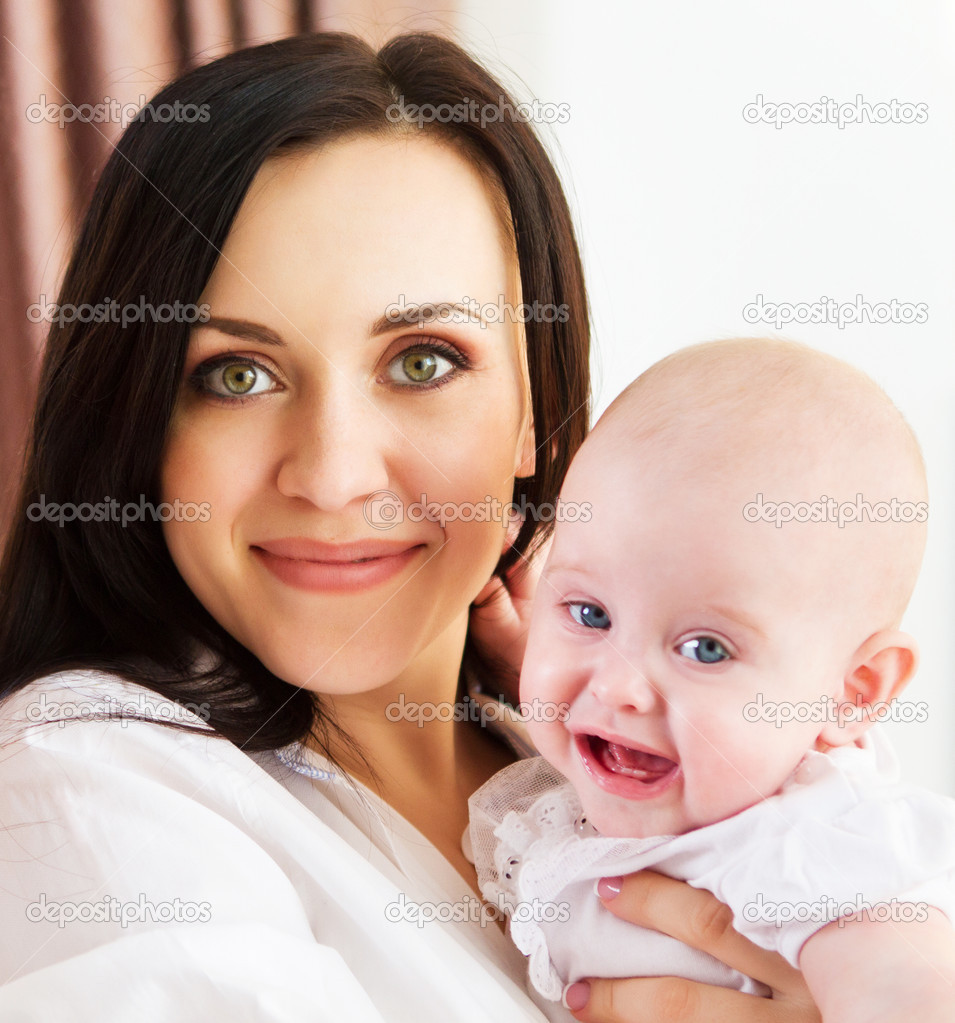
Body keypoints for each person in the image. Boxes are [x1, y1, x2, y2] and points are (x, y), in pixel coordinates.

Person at [0, 32, 820, 1022]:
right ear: (141, 424)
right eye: (235, 374)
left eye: (424, 361)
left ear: (533, 409)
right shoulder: (86, 782)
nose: (334, 476)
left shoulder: (604, 761)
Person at [469, 337, 955, 1022]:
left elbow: (916, 998)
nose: (616, 690)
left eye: (703, 648)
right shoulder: (671, 767)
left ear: (854, 692)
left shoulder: (815, 847)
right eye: (589, 613)